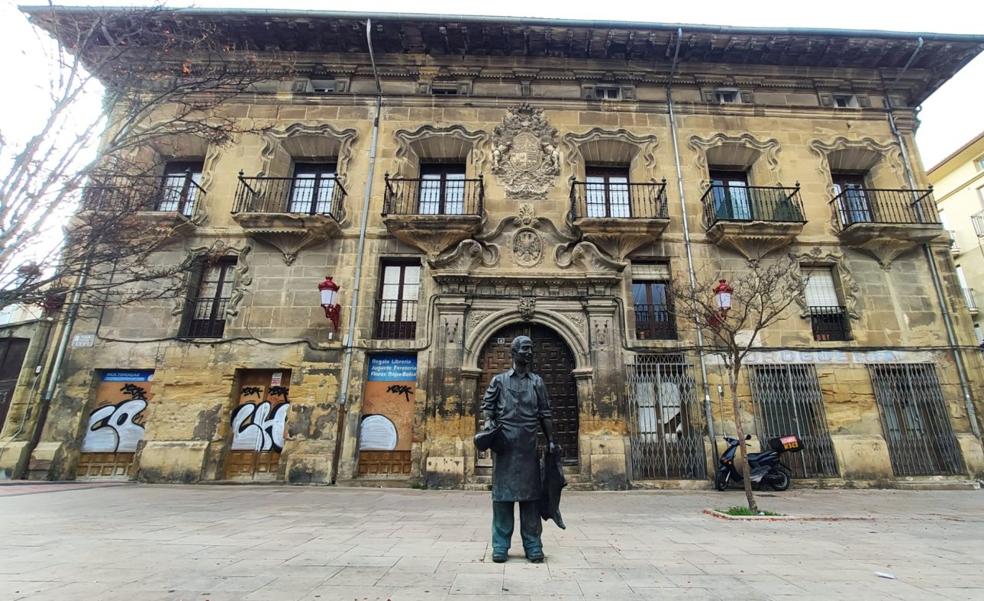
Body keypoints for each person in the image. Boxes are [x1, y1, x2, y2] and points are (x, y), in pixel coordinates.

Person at [480, 335, 559, 563]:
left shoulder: (537, 382)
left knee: (531, 499)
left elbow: (545, 412)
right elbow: (488, 406)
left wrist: (551, 439)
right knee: (502, 498)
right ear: (514, 353)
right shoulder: (499, 381)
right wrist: (488, 425)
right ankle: (500, 546)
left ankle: (533, 545)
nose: (529, 352)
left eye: (531, 349)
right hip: (504, 446)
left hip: (528, 446)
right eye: (525, 349)